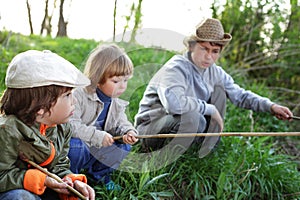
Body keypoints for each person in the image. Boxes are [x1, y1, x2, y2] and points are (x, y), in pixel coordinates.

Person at [134, 18, 293, 156]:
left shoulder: (215, 72)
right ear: (191, 46)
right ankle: (163, 160)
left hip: (183, 124)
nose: (209, 56)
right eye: (204, 49)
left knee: (215, 99)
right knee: (194, 118)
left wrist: (271, 106)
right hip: (150, 130)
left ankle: (205, 149)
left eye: (215, 51)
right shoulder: (175, 68)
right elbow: (174, 105)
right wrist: (211, 109)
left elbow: (240, 95)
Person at [0, 50, 95, 200]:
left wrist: (70, 181)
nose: (74, 101)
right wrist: (40, 179)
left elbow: (59, 165)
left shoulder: (62, 127)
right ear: (40, 108)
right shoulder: (8, 130)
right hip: (15, 189)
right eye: (67, 95)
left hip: (43, 187)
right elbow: (1, 175)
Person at [67, 43, 138, 191]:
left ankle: (99, 177)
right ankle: (71, 180)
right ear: (98, 79)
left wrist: (128, 132)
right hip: (81, 149)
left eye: (125, 80)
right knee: (75, 146)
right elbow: (70, 125)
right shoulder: (79, 95)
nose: (122, 86)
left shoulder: (115, 103)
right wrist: (97, 136)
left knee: (123, 145)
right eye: (116, 81)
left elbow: (121, 123)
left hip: (98, 151)